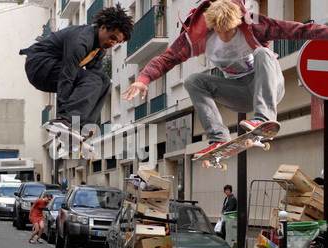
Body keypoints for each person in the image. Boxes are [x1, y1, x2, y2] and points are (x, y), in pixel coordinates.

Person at [122, 0, 328, 157]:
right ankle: (219, 137)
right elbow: (167, 58)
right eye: (220, 32)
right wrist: (143, 78)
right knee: (192, 80)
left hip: (268, 87)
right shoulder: (197, 38)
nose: (226, 37)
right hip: (237, 92)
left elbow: (296, 30)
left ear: (237, 22)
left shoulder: (254, 24)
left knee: (262, 53)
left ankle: (264, 119)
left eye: (230, 31)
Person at [19, 4, 134, 133]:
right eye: (112, 37)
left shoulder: (99, 49)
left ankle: (83, 127)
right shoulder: (81, 41)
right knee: (93, 80)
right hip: (39, 66)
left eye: (117, 42)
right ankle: (65, 121)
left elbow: (94, 85)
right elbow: (66, 77)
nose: (112, 44)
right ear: (102, 28)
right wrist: (62, 116)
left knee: (104, 81)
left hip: (55, 70)